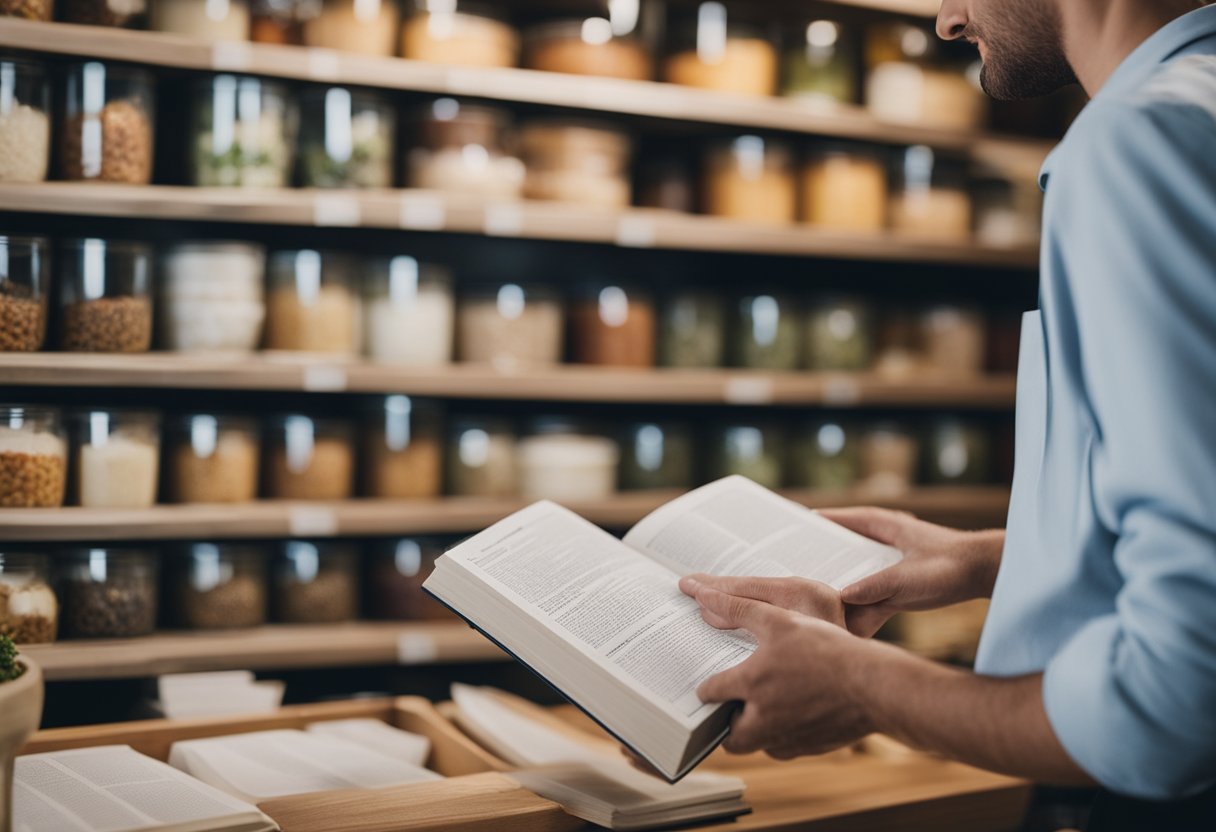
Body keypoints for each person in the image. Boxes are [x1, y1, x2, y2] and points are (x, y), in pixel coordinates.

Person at [677, 1, 1216, 828]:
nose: (947, 19)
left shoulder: (1140, 141)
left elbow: (1170, 709)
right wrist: (995, 559)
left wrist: (861, 685)